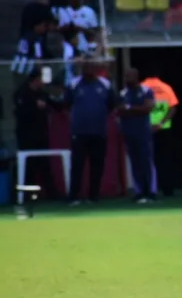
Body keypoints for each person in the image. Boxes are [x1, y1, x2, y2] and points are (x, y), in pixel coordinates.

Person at [65, 61, 117, 205]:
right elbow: (66, 103)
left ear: (96, 69)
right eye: (85, 68)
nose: (88, 70)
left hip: (99, 132)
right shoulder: (74, 84)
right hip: (79, 132)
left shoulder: (105, 84)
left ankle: (93, 196)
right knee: (77, 165)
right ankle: (74, 196)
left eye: (90, 67)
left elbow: (112, 105)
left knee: (97, 165)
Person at [13, 70, 58, 199]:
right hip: (26, 135)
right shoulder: (22, 93)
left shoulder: (42, 94)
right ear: (35, 80)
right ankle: (26, 195)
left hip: (41, 133)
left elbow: (54, 105)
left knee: (45, 164)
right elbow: (20, 112)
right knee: (29, 166)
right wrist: (34, 106)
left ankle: (51, 193)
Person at [117, 68, 157, 203]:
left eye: (130, 76)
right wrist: (135, 109)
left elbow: (147, 109)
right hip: (129, 132)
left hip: (143, 132)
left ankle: (151, 191)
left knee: (146, 161)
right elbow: (120, 111)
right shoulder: (122, 93)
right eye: (126, 76)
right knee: (134, 162)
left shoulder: (146, 91)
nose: (127, 78)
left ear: (137, 76)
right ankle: (139, 192)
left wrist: (129, 108)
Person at [141, 72, 179, 197]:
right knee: (166, 160)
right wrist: (161, 123)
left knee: (147, 160)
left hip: (146, 128)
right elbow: (173, 107)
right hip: (164, 129)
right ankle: (168, 189)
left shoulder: (142, 87)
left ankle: (150, 190)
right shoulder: (166, 87)